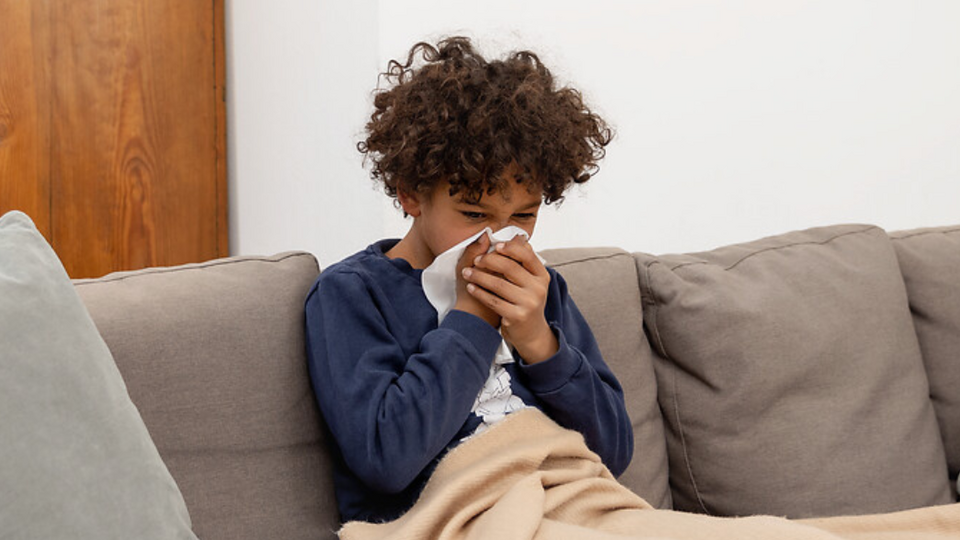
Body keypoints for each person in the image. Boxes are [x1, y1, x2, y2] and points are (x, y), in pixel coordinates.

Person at [304, 36, 632, 524]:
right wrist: (473, 318)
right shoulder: (353, 294)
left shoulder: (541, 292)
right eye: (474, 212)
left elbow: (615, 452)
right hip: (458, 518)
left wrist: (540, 343)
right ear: (412, 195)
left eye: (523, 215)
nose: (498, 237)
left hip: (571, 502)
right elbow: (386, 459)